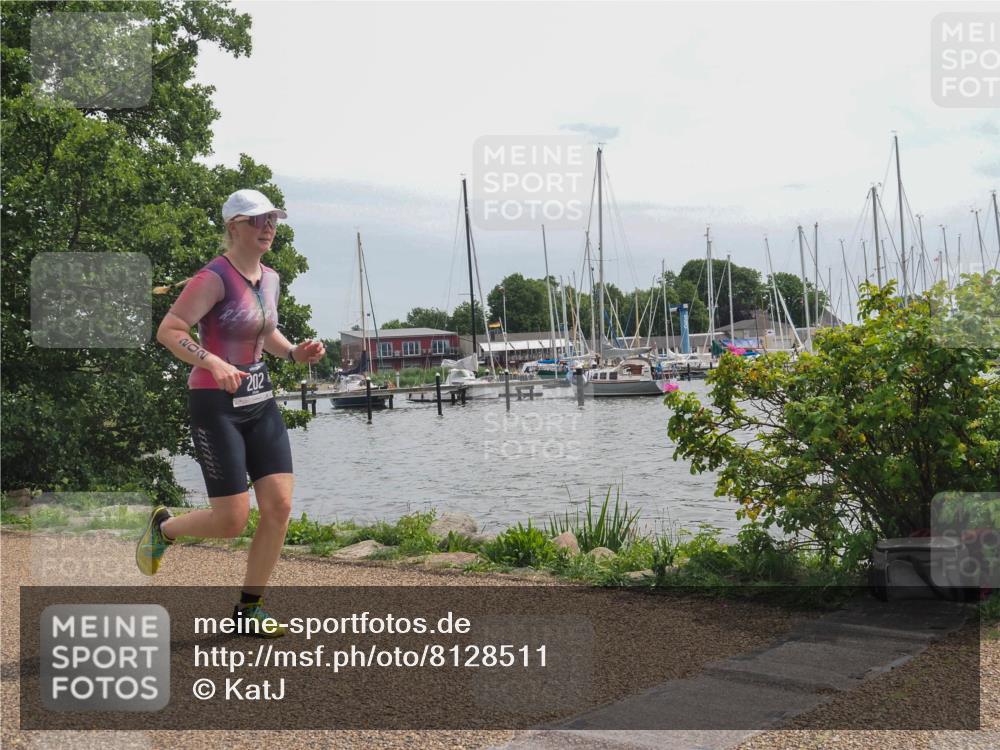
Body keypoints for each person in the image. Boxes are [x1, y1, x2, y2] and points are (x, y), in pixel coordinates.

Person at [137, 189, 325, 637]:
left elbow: (267, 331)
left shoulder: (271, 278)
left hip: (259, 400)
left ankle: (249, 608)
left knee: (279, 507)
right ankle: (165, 528)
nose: (268, 227)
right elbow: (170, 329)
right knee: (231, 520)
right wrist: (212, 361)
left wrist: (296, 353)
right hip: (215, 404)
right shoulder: (213, 278)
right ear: (233, 226)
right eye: (258, 219)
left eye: (273, 220)